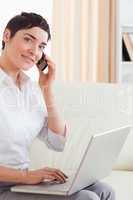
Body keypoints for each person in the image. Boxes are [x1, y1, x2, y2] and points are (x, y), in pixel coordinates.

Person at [0, 12, 115, 200]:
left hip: (22, 183)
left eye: (41, 47)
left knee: (103, 190)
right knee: (86, 198)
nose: (34, 51)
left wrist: (47, 89)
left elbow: (57, 142)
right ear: (7, 36)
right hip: (5, 186)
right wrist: (27, 176)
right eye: (28, 40)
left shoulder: (29, 88)